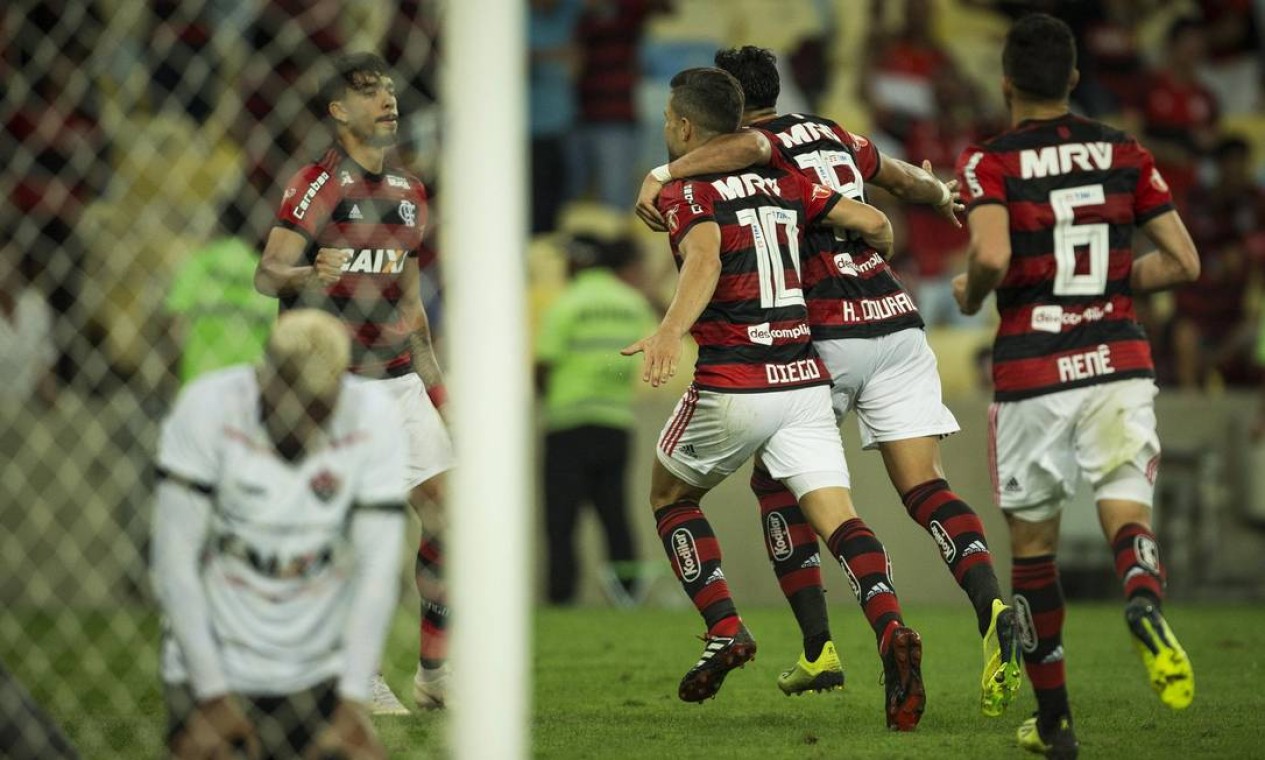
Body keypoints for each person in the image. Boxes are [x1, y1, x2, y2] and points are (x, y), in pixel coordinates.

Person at [634, 45, 1020, 719]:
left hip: (820, 337)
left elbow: (730, 177)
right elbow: (888, 191)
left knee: (772, 487)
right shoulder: (833, 133)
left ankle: (816, 646)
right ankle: (989, 606)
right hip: (894, 323)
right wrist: (937, 193)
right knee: (924, 487)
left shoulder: (747, 153)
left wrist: (661, 171)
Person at [953, 13, 1201, 758]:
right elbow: (1183, 262)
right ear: (1070, 78)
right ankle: (1143, 601)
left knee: (1033, 549)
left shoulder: (988, 163)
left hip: (1033, 370)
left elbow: (992, 255)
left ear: (1005, 83)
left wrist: (971, 292)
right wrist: (1103, 283)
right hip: (1117, 362)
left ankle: (1055, 723)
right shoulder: (1124, 151)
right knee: (1125, 511)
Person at [253, 52, 454, 713]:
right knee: (353, 533)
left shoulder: (408, 193)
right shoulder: (317, 185)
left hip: (397, 377)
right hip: (333, 387)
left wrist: (438, 392)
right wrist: (310, 273)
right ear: (338, 111)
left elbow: (409, 304)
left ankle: (434, 673)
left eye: (390, 90)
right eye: (369, 92)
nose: (387, 100)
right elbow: (267, 275)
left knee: (446, 519)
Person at [152, 309, 404, 759]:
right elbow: (175, 560)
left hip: (316, 668)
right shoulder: (207, 407)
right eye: (288, 399)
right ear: (262, 376)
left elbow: (378, 572)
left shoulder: (374, 418)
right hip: (214, 656)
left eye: (317, 406)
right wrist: (211, 696)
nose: (300, 418)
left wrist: (351, 704)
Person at [535, 234, 658, 605]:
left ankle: (561, 597)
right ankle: (627, 597)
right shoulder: (632, 302)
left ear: (580, 261)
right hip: (616, 421)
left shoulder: (567, 303)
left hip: (567, 423)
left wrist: (550, 396)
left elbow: (543, 364)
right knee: (616, 516)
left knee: (561, 520)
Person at [166, 199, 274, 384]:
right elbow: (274, 330)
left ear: (218, 224)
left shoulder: (201, 261)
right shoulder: (264, 270)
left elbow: (175, 320)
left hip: (199, 375)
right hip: (246, 380)